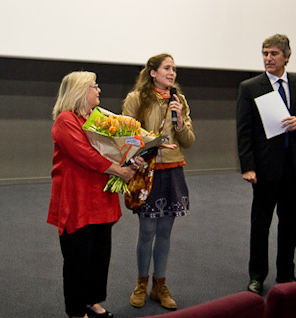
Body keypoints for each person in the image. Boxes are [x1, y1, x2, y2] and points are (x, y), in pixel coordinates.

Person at [47, 71, 143, 318]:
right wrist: (119, 170)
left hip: (101, 199)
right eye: (94, 86)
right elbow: (85, 155)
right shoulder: (65, 120)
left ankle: (92, 301)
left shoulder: (99, 118)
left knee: (100, 255)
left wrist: (132, 160)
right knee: (78, 260)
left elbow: (115, 149)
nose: (99, 90)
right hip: (77, 200)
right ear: (79, 91)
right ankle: (77, 311)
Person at [236, 34, 296, 295]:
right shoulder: (250, 87)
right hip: (263, 169)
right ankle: (257, 276)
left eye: (273, 53)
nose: (268, 58)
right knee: (260, 223)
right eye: (265, 53)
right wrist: (247, 167)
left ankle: (286, 273)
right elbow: (244, 131)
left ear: (286, 56)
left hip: (294, 168)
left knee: (289, 222)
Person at [122, 53, 195, 309]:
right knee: (147, 231)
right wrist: (155, 144)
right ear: (153, 72)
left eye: (174, 69)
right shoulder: (135, 99)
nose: (172, 73)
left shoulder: (179, 100)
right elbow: (126, 138)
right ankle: (141, 284)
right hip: (147, 170)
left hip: (172, 168)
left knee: (165, 231)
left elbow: (188, 141)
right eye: (167, 68)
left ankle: (159, 285)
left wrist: (181, 120)